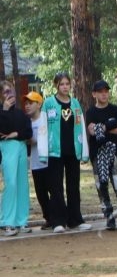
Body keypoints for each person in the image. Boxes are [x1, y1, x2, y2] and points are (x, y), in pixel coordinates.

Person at [41, 73, 91, 233]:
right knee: (56, 188)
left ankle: (75, 219)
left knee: (73, 186)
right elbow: (43, 128)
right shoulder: (48, 103)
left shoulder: (75, 103)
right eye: (61, 84)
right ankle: (58, 221)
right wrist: (43, 151)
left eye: (67, 84)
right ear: (56, 85)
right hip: (55, 152)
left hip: (72, 151)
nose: (64, 87)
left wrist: (84, 151)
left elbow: (81, 127)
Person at [84, 80, 117, 231]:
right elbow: (91, 130)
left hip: (116, 153)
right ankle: (109, 217)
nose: (104, 94)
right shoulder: (91, 112)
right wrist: (110, 124)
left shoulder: (116, 109)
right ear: (94, 94)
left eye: (106, 91)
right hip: (98, 154)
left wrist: (101, 128)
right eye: (100, 91)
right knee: (101, 186)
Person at [0, 82, 33, 235]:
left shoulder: (21, 113)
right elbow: (3, 129)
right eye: (6, 92)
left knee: (22, 184)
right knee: (11, 183)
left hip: (20, 146)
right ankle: (7, 221)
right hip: (7, 148)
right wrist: (5, 111)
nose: (10, 95)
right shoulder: (1, 112)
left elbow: (28, 131)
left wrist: (16, 134)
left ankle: (21, 220)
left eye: (11, 91)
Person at [24, 92, 52, 230]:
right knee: (40, 193)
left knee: (53, 190)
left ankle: (58, 216)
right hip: (35, 163)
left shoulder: (45, 119)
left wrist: (34, 140)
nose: (27, 106)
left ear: (39, 104)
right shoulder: (26, 122)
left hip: (48, 162)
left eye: (30, 103)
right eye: (26, 103)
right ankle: (48, 218)